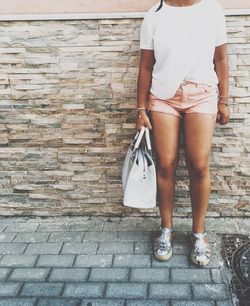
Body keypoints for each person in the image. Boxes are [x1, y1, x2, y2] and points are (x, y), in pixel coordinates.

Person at [136, 0, 230, 267]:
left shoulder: (212, 11)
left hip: (202, 95)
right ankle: (166, 229)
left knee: (199, 165)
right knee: (165, 164)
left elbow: (220, 58)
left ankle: (199, 233)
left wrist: (223, 101)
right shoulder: (154, 16)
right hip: (163, 98)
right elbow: (145, 65)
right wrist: (140, 108)